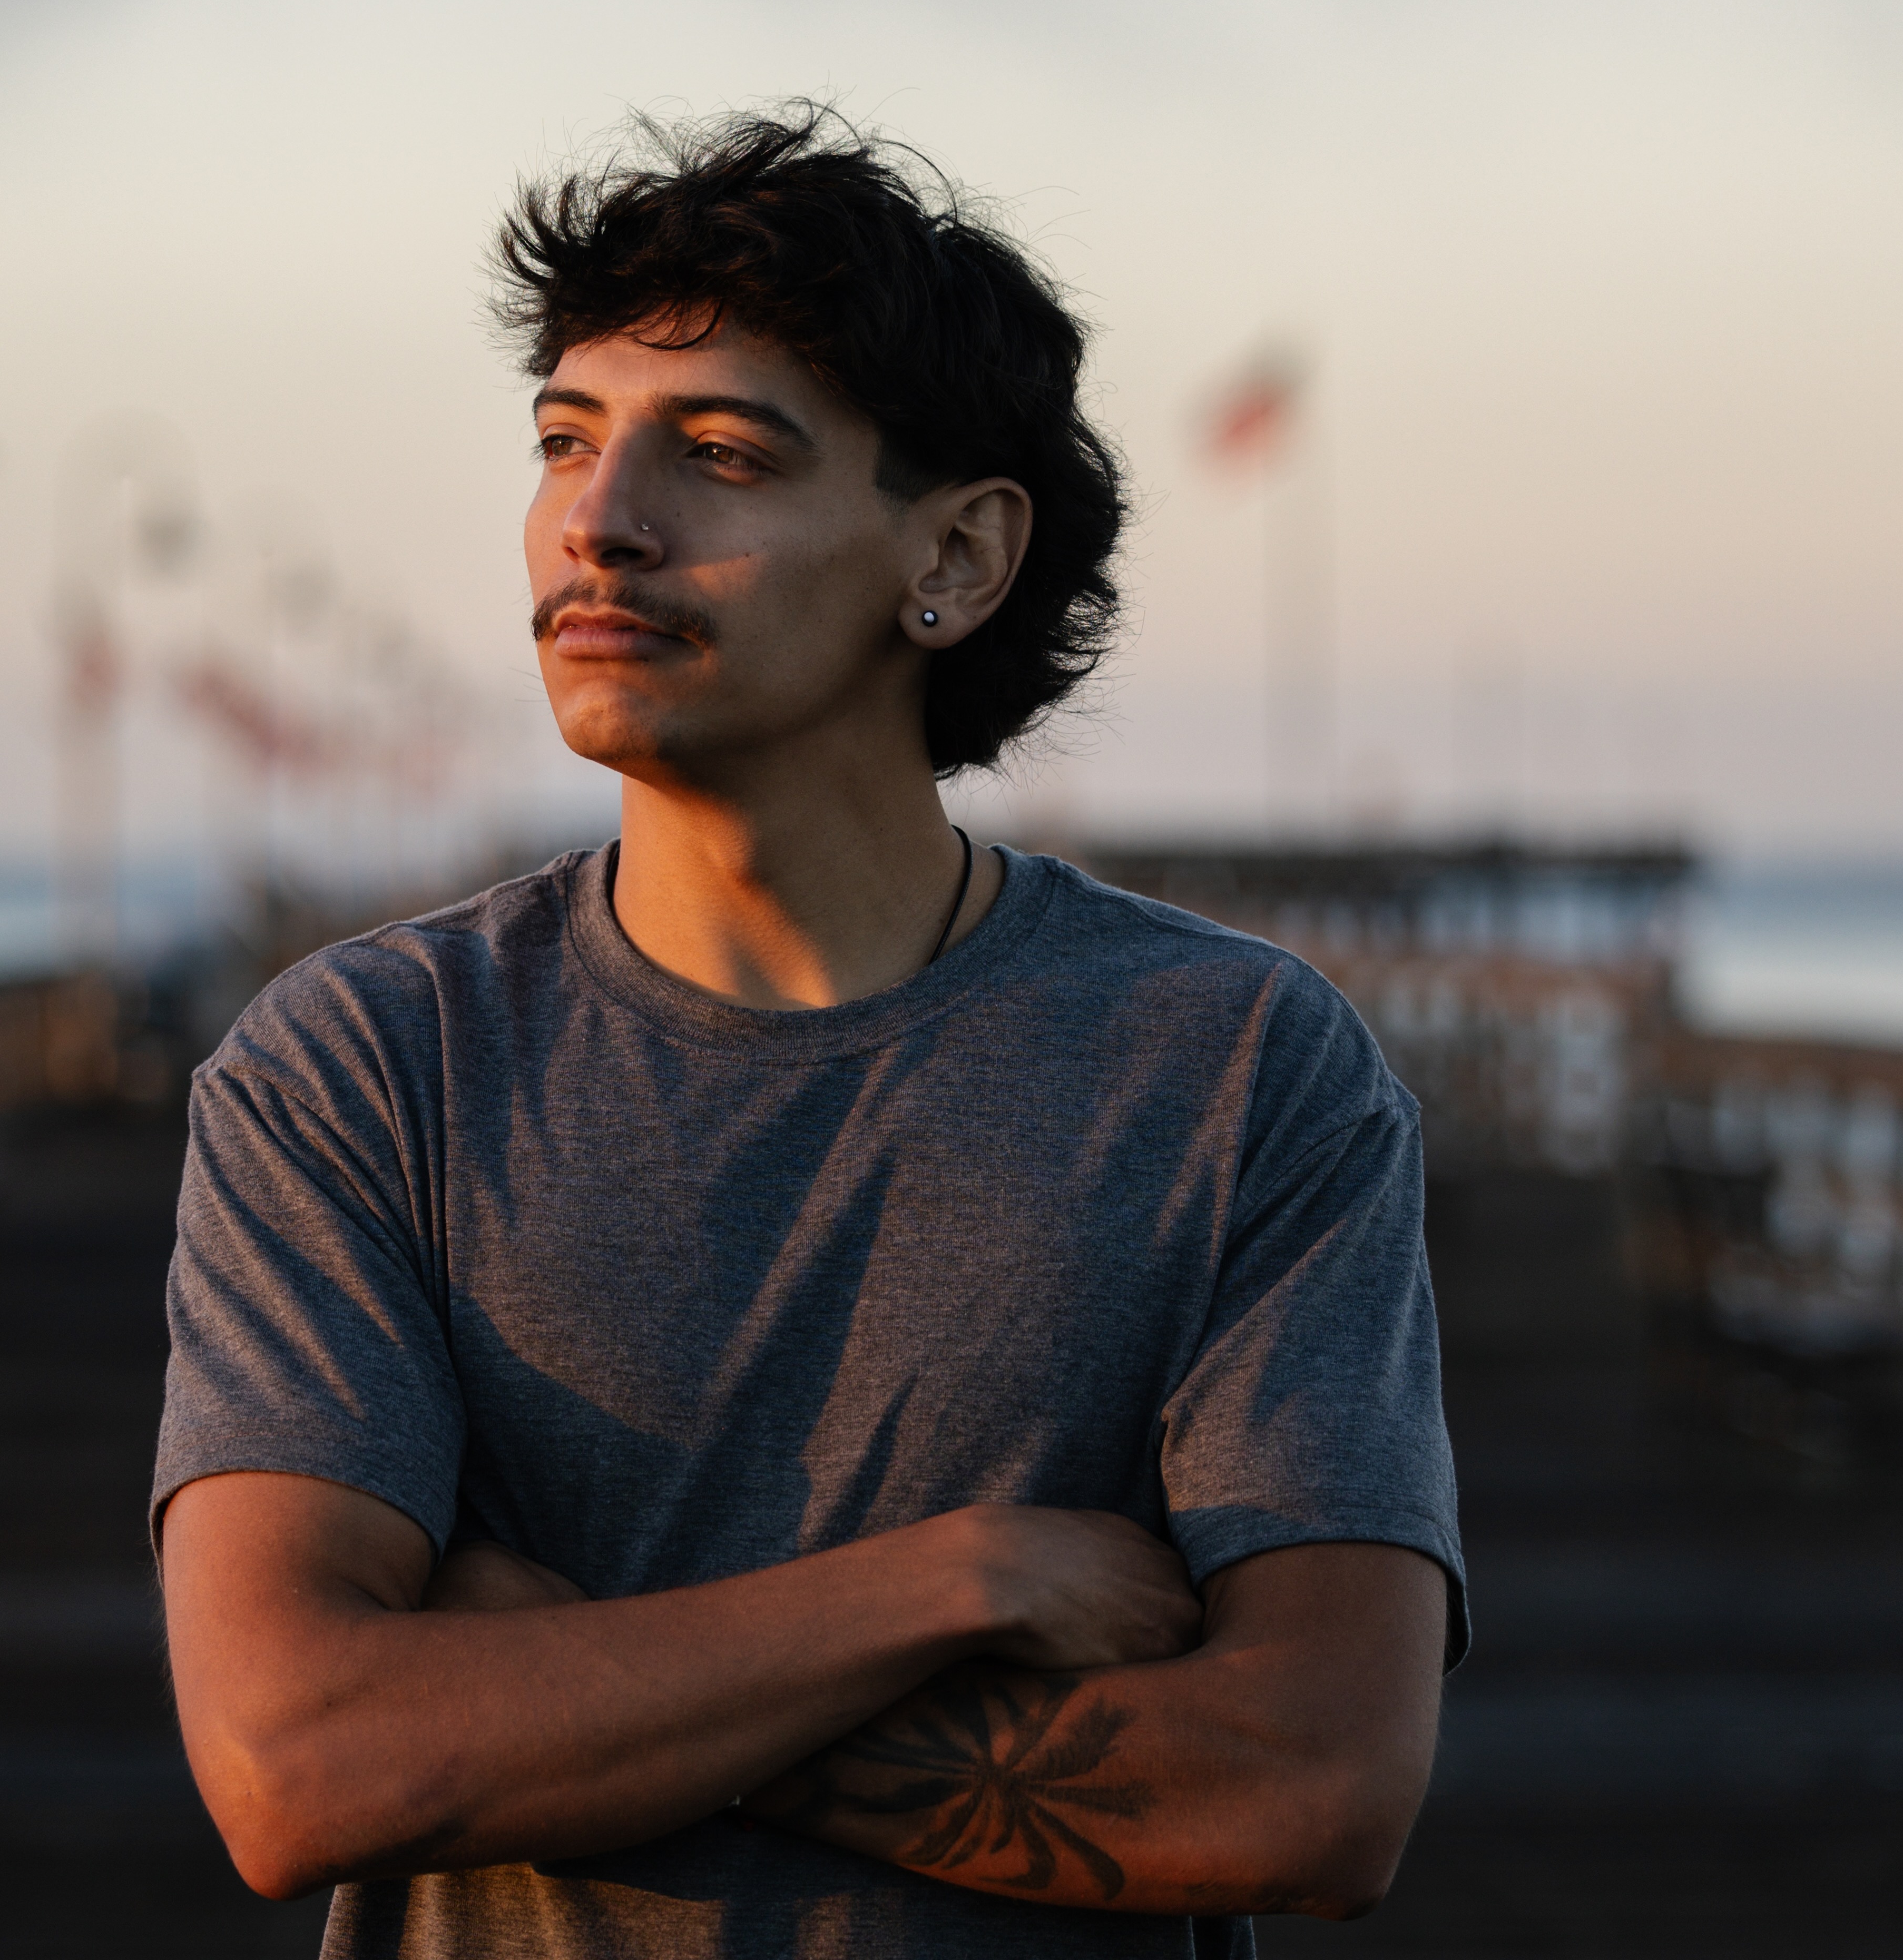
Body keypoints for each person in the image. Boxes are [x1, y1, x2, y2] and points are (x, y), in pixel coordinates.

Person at [153, 106, 1465, 1959]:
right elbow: (300, 1763)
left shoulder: (1238, 1070)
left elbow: (1314, 1787)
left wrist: (542, 1684)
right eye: (564, 442)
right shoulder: (364, 1068)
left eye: (718, 454)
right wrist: (952, 1581)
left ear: (957, 559)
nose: (601, 521)